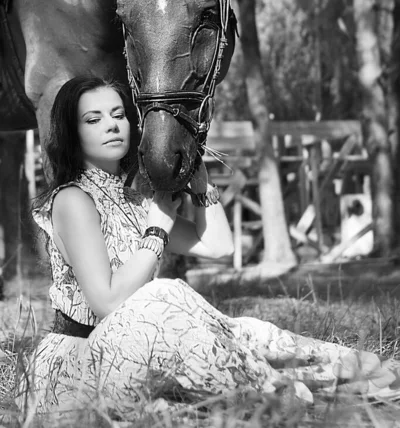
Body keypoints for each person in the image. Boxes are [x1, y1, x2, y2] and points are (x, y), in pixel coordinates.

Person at [17, 76, 400, 420]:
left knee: (240, 327)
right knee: (165, 292)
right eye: (93, 119)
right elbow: (106, 303)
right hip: (78, 367)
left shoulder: (132, 202)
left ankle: (347, 366)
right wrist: (158, 228)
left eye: (117, 114)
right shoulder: (72, 200)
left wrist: (201, 184)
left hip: (137, 350)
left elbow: (218, 246)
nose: (111, 125)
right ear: (71, 132)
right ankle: (283, 390)